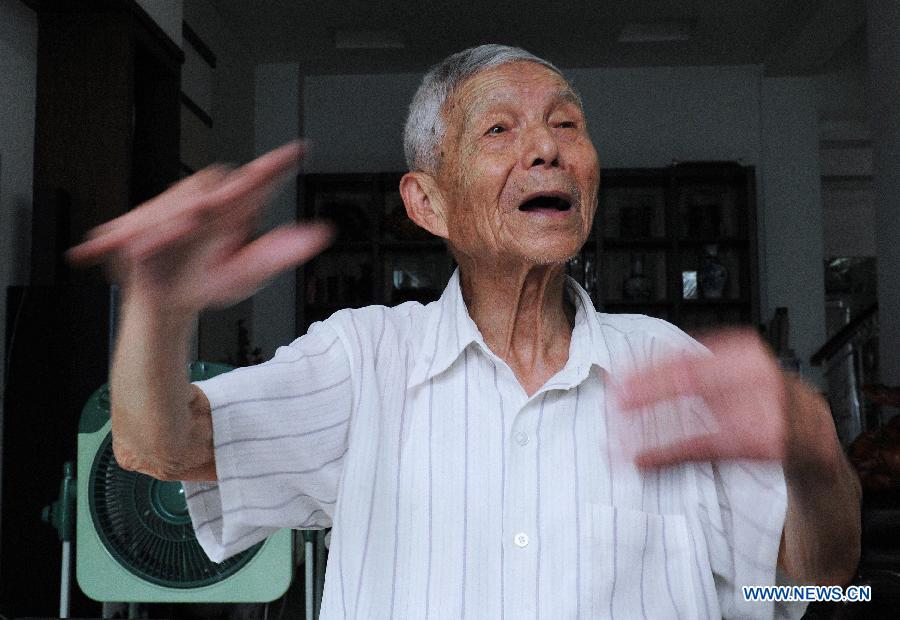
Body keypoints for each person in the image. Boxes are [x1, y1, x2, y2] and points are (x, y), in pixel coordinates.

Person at [69, 44, 860, 619]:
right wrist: (161, 307)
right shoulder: (364, 360)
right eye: (499, 131)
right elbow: (154, 448)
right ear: (427, 202)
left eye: (566, 123)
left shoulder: (670, 365)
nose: (546, 147)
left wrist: (815, 450)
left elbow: (815, 587)